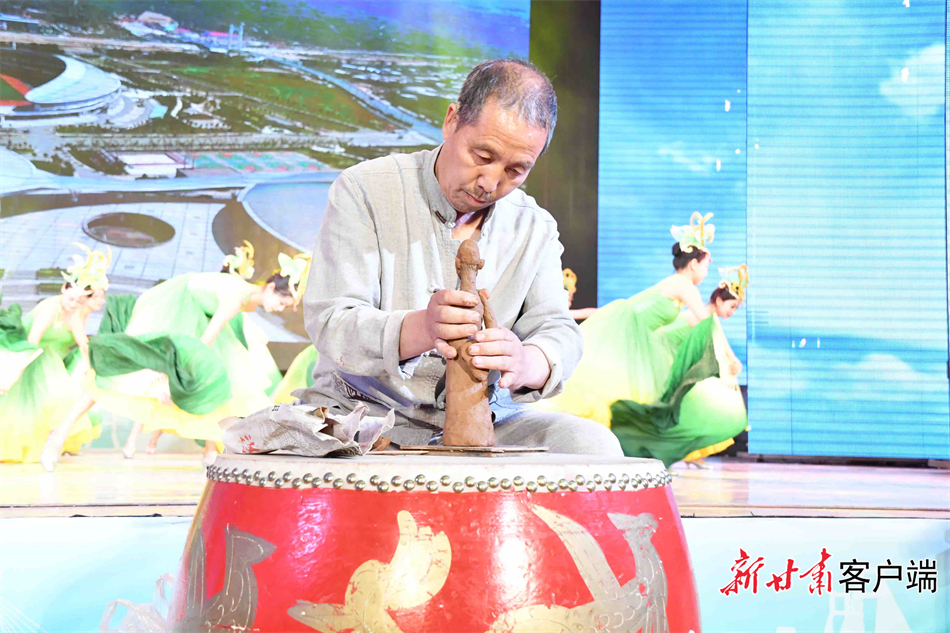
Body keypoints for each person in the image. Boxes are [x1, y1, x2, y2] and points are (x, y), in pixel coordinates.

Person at [297, 58, 621, 455]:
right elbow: (331, 321)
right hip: (364, 412)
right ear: (451, 120)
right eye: (482, 156)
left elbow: (557, 328)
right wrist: (420, 328)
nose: (489, 183)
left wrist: (526, 360)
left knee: (592, 446)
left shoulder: (534, 226)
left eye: (516, 170)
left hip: (490, 418)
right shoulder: (365, 190)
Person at [40, 252, 308, 471]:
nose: (281, 309)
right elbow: (202, 344)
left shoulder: (248, 299)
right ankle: (59, 433)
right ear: (270, 287)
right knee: (123, 372)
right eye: (283, 302)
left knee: (229, 380)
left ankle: (232, 451)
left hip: (197, 317)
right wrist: (173, 379)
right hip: (176, 306)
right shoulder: (236, 298)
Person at [535, 213, 716, 427]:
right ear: (693, 264)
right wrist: (728, 357)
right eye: (706, 266)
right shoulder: (683, 285)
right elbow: (707, 322)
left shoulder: (678, 284)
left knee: (613, 387)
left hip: (639, 335)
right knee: (601, 383)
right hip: (630, 329)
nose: (706, 272)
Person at [611, 265, 750, 467]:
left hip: (670, 364)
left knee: (682, 411)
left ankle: (680, 456)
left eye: (735, 308)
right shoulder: (700, 317)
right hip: (660, 364)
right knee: (668, 412)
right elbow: (715, 338)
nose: (732, 312)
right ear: (719, 300)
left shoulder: (706, 319)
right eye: (732, 306)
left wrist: (732, 360)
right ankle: (652, 454)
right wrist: (733, 359)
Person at [1, 245, 109, 463]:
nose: (74, 304)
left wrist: (93, 370)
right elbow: (32, 343)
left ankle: (47, 444)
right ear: (63, 289)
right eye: (71, 299)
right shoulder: (50, 309)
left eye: (80, 301)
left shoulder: (75, 314)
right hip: (26, 355)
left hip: (48, 360)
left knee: (58, 401)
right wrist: (14, 374)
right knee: (12, 403)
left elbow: (83, 344)